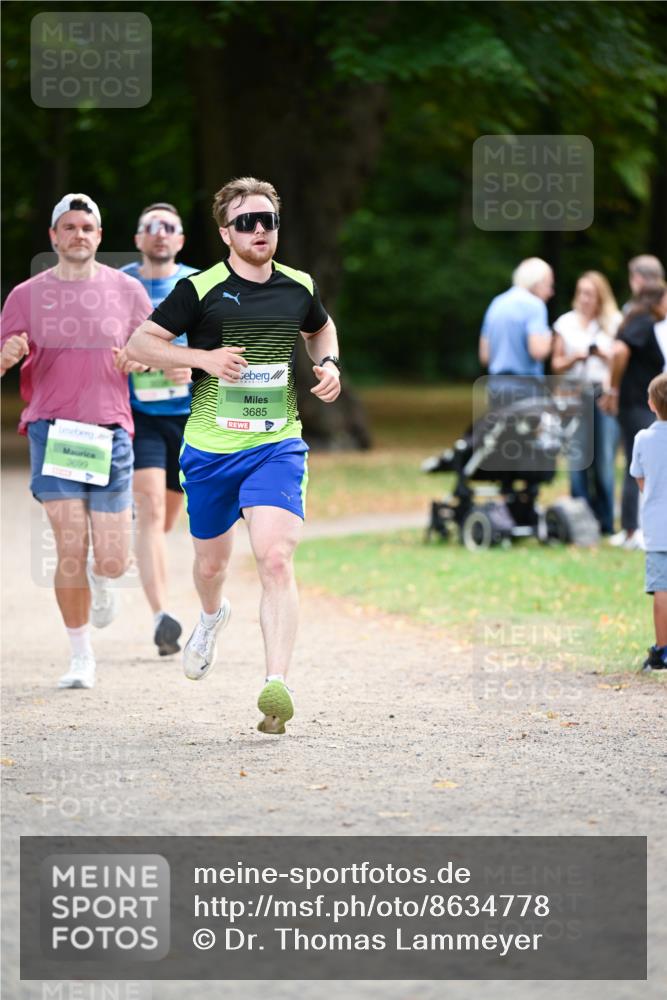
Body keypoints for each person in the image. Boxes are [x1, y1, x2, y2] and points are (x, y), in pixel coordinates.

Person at [127, 177, 341, 734]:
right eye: (246, 221)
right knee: (211, 565)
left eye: (267, 219)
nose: (260, 230)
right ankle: (210, 615)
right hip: (209, 450)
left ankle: (277, 686)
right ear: (226, 232)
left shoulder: (298, 286)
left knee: (275, 557)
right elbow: (139, 345)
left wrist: (331, 366)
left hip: (275, 445)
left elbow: (321, 330)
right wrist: (203, 357)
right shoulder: (200, 289)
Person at [0, 193, 152, 689]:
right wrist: (7, 356)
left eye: (87, 227)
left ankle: (107, 576)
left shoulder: (128, 292)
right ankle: (81, 656)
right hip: (53, 428)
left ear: (100, 236)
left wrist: (142, 361)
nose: (78, 235)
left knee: (111, 558)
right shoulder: (25, 295)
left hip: (110, 428)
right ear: (53, 236)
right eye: (68, 227)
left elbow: (155, 353)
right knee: (69, 543)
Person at [121, 203, 198, 656]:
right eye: (150, 227)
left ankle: (130, 544)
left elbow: (222, 348)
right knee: (150, 510)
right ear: (138, 238)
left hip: (190, 418)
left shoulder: (198, 284)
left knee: (166, 519)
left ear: (181, 239)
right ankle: (162, 616)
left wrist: (189, 368)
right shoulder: (118, 285)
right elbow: (99, 343)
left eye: (169, 227)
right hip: (140, 416)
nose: (160, 234)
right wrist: (121, 359)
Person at [551, 271, 622, 535]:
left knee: (604, 459)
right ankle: (580, 521)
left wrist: (605, 357)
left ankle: (605, 521)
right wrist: (575, 357)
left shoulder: (614, 323)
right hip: (574, 394)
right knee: (578, 459)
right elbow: (555, 364)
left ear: (600, 297)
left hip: (602, 394)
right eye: (581, 292)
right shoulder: (565, 323)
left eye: (590, 294)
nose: (584, 298)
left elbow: (623, 360)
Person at [602, 281, 667, 549]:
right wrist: (613, 389)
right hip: (638, 402)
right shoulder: (642, 321)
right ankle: (634, 528)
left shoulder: (635, 320)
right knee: (641, 460)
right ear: (655, 301)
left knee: (635, 457)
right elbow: (619, 351)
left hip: (635, 402)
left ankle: (631, 526)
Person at [478, 257, 554, 410]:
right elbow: (537, 351)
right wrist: (551, 339)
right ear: (537, 282)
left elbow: (485, 356)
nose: (551, 292)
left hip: (496, 387)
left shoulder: (496, 303)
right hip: (526, 389)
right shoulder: (535, 305)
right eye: (549, 285)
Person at [630, 373, 667, 671]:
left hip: (657, 528)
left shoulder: (642, 438)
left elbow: (641, 480)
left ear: (651, 404)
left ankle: (662, 650)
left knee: (661, 589)